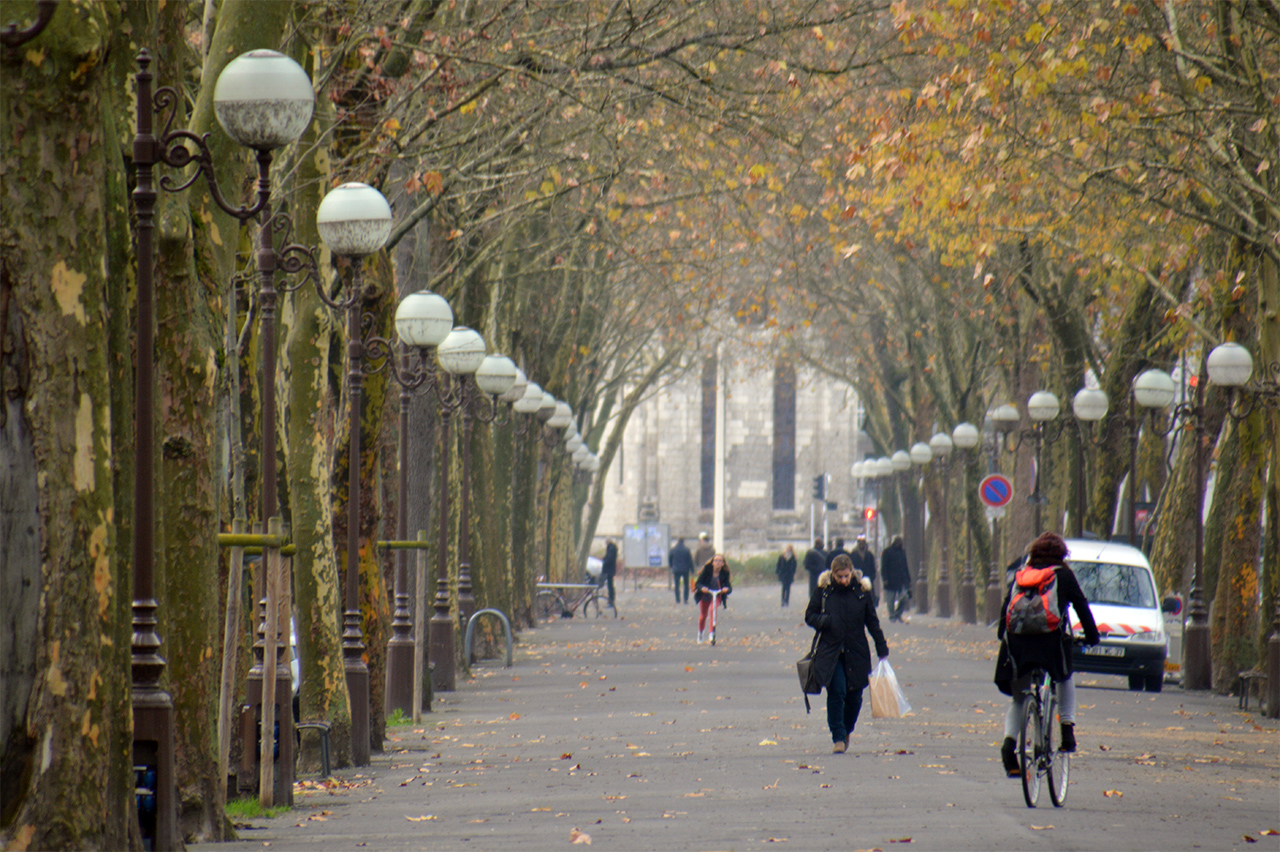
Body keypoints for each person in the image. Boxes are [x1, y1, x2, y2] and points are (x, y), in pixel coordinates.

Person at [995, 532, 1100, 776]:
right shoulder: (1062, 575)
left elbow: (1005, 612)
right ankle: (1067, 729)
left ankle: (1009, 746)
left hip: (1019, 645)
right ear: (1061, 555)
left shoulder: (1021, 576)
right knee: (1064, 677)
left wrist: (1004, 636)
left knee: (1019, 698)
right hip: (1050, 644)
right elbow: (1082, 607)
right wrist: (1092, 637)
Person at [804, 554, 889, 753]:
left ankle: (847, 729)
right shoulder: (824, 592)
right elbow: (809, 615)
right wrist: (823, 621)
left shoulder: (862, 592)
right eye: (839, 576)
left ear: (852, 572)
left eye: (846, 575)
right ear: (832, 574)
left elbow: (872, 622)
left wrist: (881, 646)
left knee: (855, 697)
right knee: (837, 691)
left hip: (856, 650)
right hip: (830, 651)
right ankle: (838, 737)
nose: (843, 580)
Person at [693, 553, 732, 642]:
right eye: (716, 560)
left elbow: (729, 587)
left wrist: (726, 589)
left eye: (720, 561)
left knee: (712, 611)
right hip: (705, 595)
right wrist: (702, 588)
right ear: (713, 562)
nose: (718, 562)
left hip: (716, 595)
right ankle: (701, 633)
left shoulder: (724, 573)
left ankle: (711, 634)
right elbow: (698, 583)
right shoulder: (707, 570)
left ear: (723, 563)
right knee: (703, 615)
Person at [881, 535, 912, 623]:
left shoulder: (902, 552)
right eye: (899, 542)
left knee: (904, 597)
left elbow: (905, 566)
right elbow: (884, 567)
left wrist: (908, 580)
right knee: (890, 600)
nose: (900, 544)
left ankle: (897, 614)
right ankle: (892, 615)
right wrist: (885, 579)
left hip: (901, 580)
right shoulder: (887, 552)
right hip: (890, 580)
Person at [669, 537, 694, 604]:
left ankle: (677, 599)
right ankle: (685, 599)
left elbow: (670, 559)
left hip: (676, 569)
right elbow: (690, 560)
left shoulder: (673, 550)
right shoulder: (687, 550)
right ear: (683, 542)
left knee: (677, 585)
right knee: (686, 585)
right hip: (685, 569)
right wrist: (692, 570)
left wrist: (672, 566)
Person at [599, 538, 618, 610]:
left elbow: (609, 558)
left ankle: (611, 600)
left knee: (610, 585)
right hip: (610, 569)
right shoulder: (611, 547)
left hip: (609, 570)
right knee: (610, 585)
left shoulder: (611, 548)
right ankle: (610, 600)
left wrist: (604, 561)